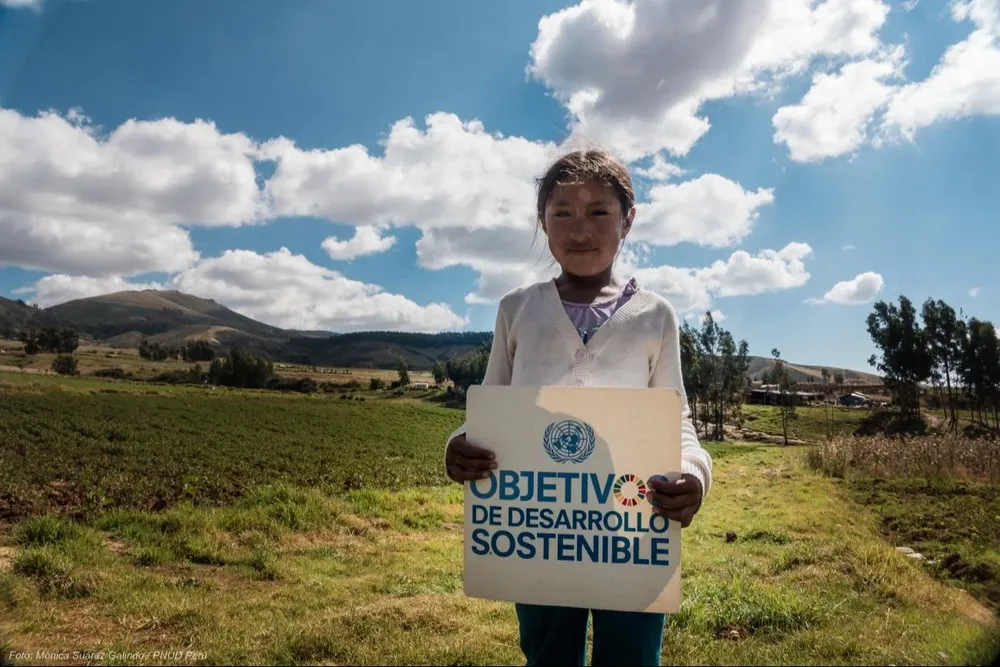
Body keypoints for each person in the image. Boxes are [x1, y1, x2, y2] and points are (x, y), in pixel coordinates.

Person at [443, 148, 712, 667]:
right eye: (562, 212)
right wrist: (459, 444)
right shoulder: (517, 310)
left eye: (598, 211)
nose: (580, 229)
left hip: (633, 528)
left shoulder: (655, 316)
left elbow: (674, 419)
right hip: (540, 528)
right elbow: (492, 407)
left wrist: (694, 473)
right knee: (548, 652)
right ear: (542, 221)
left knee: (631, 654)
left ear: (628, 220)